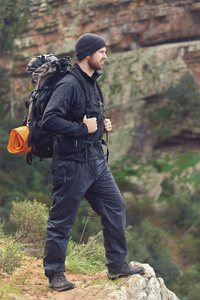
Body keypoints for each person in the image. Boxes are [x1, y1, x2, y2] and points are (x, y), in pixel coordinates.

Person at [41, 33, 145, 292]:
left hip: (96, 162)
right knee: (62, 220)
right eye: (101, 52)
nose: (105, 56)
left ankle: (117, 265)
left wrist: (101, 127)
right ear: (88, 54)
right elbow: (49, 120)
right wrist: (82, 128)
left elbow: (90, 121)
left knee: (115, 208)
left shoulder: (92, 83)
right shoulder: (69, 84)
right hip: (71, 165)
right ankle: (55, 274)